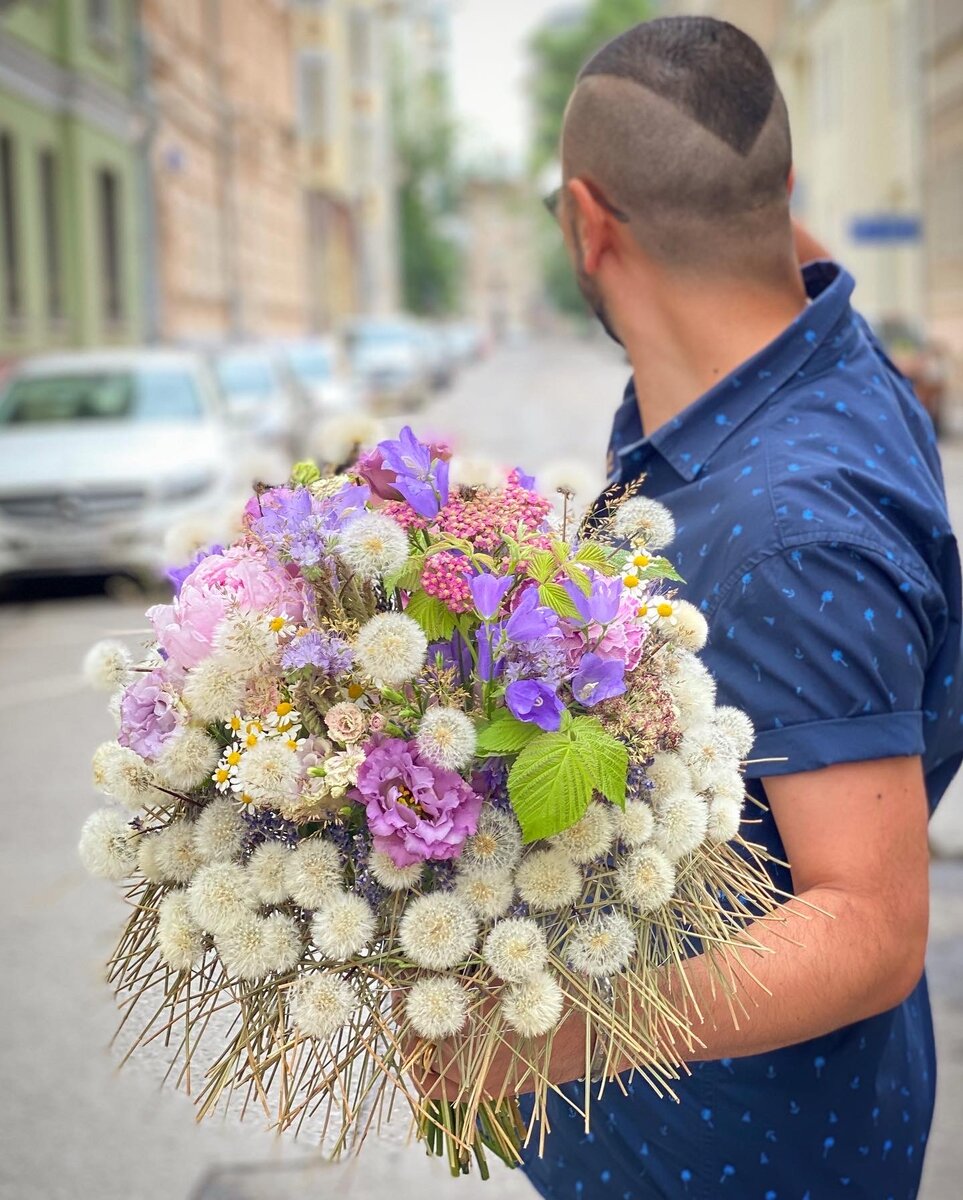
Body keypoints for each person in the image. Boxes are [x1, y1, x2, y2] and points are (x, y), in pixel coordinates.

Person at [419, 16, 963, 1200]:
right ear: (781, 197)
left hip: (741, 1159)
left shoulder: (789, 526)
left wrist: (534, 1037)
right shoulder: (826, 352)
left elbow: (868, 923)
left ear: (588, 224)